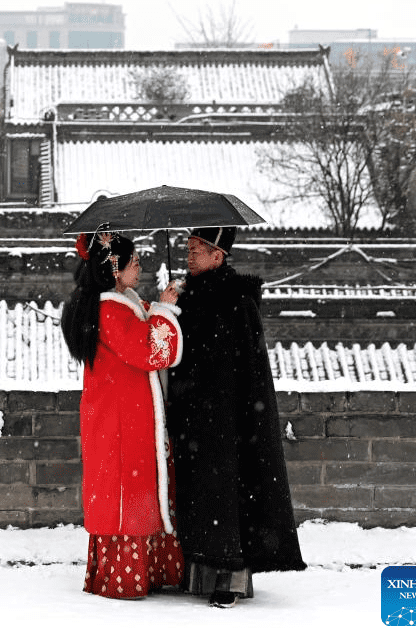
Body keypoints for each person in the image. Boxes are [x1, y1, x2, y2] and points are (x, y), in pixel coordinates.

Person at [167, 226, 306, 609]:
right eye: (189, 248)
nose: (191, 255)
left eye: (198, 249)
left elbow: (249, 370)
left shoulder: (237, 301)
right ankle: (199, 572)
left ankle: (231, 576)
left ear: (219, 255)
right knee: (199, 499)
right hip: (194, 418)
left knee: (228, 499)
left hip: (229, 419)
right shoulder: (187, 298)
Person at [61, 229, 186, 600]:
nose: (140, 267)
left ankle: (129, 571)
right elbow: (152, 351)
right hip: (122, 422)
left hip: (118, 417)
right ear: (114, 269)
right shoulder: (111, 310)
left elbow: (139, 331)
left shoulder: (117, 304)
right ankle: (126, 576)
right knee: (127, 495)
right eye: (134, 262)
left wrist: (155, 308)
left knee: (127, 491)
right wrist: (164, 310)